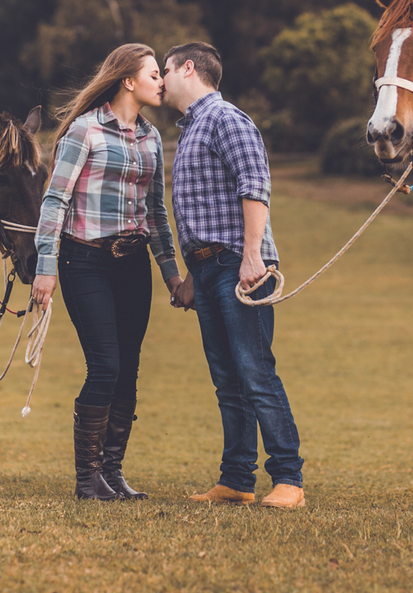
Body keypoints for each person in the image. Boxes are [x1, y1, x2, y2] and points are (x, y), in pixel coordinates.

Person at [32, 43, 182, 501]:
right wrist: (45, 266)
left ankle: (112, 473)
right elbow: (54, 200)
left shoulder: (151, 138)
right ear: (128, 81)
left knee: (129, 370)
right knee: (106, 365)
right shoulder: (85, 131)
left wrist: (172, 273)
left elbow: (156, 212)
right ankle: (87, 479)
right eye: (155, 74)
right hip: (85, 262)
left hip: (133, 264)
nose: (163, 81)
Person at [162, 42, 305, 509]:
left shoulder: (226, 119)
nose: (161, 80)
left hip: (237, 267)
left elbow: (254, 187)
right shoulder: (191, 130)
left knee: (256, 373)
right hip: (207, 269)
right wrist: (188, 276)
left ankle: (288, 479)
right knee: (227, 379)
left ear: (188, 67)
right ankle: (237, 480)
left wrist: (250, 256)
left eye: (165, 69)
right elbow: (199, 212)